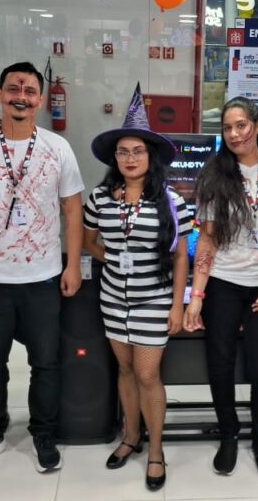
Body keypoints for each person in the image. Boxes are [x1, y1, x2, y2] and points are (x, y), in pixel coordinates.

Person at [0, 61, 84, 473]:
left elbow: (72, 211)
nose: (20, 97)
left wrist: (72, 265)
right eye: (13, 89)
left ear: (39, 99)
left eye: (29, 91)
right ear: (1, 95)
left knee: (46, 362)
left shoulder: (58, 149)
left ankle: (43, 432)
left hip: (43, 277)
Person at [183, 97, 258, 479]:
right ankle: (229, 434)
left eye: (241, 125)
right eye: (227, 128)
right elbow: (207, 240)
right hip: (223, 283)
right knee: (220, 364)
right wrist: (196, 298)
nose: (234, 134)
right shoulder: (215, 175)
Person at [83, 84, 192, 492]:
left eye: (138, 151)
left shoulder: (172, 201)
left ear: (151, 156)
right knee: (125, 370)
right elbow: (88, 240)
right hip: (113, 299)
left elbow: (180, 257)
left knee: (147, 374)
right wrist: (109, 258)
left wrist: (177, 305)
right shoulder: (100, 198)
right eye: (123, 152)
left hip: (153, 300)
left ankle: (157, 450)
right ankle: (131, 437)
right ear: (115, 158)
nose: (130, 158)